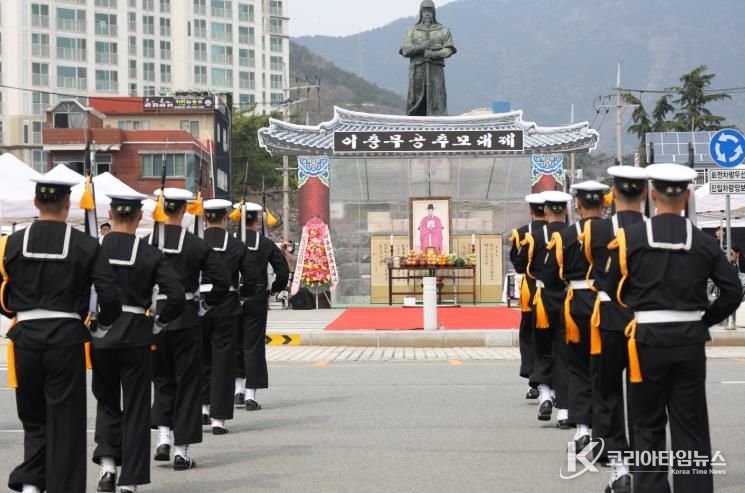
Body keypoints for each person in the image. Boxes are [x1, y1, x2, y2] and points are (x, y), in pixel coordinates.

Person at [605, 163, 741, 493]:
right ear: (687, 197)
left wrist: (638, 310)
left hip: (646, 342)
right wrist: (704, 320)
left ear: (652, 195)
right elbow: (733, 291)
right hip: (689, 342)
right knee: (690, 426)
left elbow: (609, 287)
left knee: (647, 424)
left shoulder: (631, 238)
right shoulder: (704, 242)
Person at [1, 171, 122, 493]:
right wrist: (102, 324)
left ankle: (31, 485)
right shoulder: (86, 244)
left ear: (36, 201)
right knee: (65, 423)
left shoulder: (12, 242)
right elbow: (109, 294)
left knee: (33, 418)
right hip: (66, 339)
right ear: (68, 203)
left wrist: (16, 311)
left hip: (25, 338)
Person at [92, 192, 185, 493]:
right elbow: (176, 295)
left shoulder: (94, 248)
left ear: (110, 214)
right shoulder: (150, 253)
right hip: (136, 335)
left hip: (102, 336)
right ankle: (130, 481)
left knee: (107, 402)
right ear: (139, 216)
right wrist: (159, 322)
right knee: (136, 408)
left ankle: (108, 469)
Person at [149, 188, 230, 471]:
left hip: (157, 318)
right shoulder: (196, 244)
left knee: (161, 379)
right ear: (185, 210)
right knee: (187, 384)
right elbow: (222, 280)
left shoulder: (148, 242)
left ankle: (163, 437)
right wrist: (206, 304)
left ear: (162, 209)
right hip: (186, 317)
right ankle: (181, 451)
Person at [585, 166, 648, 493]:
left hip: (609, 317)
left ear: (612, 192)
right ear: (645, 194)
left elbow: (591, 267)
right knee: (644, 394)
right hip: (644, 319)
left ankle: (618, 466)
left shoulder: (596, 229)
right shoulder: (652, 228)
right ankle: (644, 463)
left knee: (606, 390)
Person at [543, 180, 608, 454]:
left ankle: (582, 430)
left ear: (578, 205)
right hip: (607, 305)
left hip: (576, 307)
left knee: (579, 369)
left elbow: (549, 277)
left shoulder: (566, 236)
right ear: (603, 203)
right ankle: (606, 435)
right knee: (606, 372)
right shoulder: (617, 232)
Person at [235, 202, 290, 411]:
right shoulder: (265, 243)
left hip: (232, 297)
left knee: (235, 343)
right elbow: (282, 271)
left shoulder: (230, 241)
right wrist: (274, 289)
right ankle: (251, 395)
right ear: (257, 220)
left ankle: (237, 391)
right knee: (253, 345)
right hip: (257, 297)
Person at [199, 199, 247, 435]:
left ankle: (203, 408)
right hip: (227, 305)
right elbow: (249, 277)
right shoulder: (236, 245)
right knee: (224, 362)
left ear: (204, 217)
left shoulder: (196, 242)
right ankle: (219, 419)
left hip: (200, 305)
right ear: (226, 217)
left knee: (202, 359)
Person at [531, 190, 571, 426]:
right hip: (568, 299)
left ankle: (545, 394)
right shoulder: (574, 235)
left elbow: (523, 266)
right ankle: (564, 410)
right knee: (564, 354)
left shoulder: (535, 237)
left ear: (545, 210)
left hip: (543, 299)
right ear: (565, 210)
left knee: (542, 347)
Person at [508, 193, 547, 400]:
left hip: (531, 289)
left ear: (531, 211)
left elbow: (518, 264)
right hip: (555, 290)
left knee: (529, 335)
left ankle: (534, 381)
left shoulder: (522, 233)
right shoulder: (561, 232)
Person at [399, 0, 457, 116]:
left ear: (434, 13)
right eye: (425, 11)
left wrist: (435, 54)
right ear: (421, 12)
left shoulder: (442, 31)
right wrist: (421, 47)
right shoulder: (412, 31)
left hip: (436, 71)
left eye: (430, 11)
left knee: (438, 99)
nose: (427, 14)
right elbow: (405, 50)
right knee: (416, 101)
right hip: (417, 71)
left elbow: (449, 49)